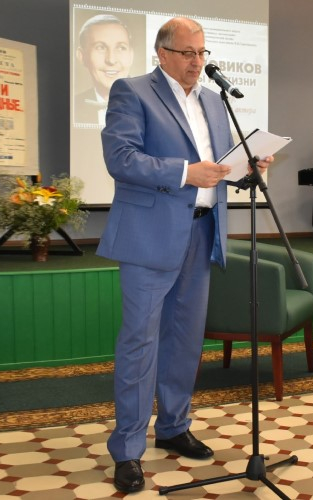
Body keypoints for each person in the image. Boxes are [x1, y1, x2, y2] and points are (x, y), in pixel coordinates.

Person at [96, 16, 273, 493]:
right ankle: (128, 449)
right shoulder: (132, 91)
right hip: (149, 237)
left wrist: (248, 167)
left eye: (202, 53)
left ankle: (174, 427)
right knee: (140, 343)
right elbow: (121, 158)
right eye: (188, 53)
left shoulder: (214, 101)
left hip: (202, 232)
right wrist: (183, 172)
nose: (197, 62)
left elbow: (219, 169)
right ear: (163, 53)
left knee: (185, 341)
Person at [74, 14, 134, 124]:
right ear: (82, 56)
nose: (111, 60)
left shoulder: (151, 106)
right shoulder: (74, 105)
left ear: (131, 56)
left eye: (121, 48)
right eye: (100, 47)